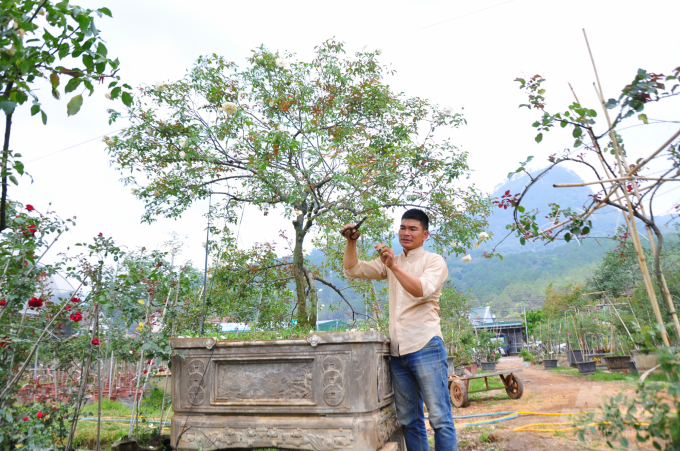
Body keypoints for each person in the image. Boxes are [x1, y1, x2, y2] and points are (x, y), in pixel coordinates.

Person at [341, 209, 457, 451]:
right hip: (398, 352)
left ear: (425, 234)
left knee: (440, 419)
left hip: (426, 345)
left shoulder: (433, 261)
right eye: (403, 227)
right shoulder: (392, 261)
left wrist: (392, 266)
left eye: (413, 229)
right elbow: (353, 270)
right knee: (409, 421)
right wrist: (351, 243)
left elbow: (420, 290)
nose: (406, 233)